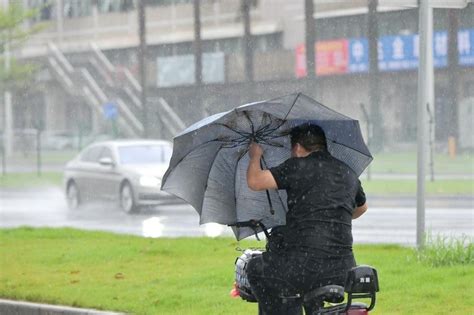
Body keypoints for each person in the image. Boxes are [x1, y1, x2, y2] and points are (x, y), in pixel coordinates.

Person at [245, 124, 368, 315]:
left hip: (303, 267)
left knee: (254, 268)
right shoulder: (347, 172)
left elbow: (255, 181)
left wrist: (255, 155)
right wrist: (333, 215)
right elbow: (362, 208)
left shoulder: (297, 166)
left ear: (297, 147)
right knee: (305, 283)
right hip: (344, 270)